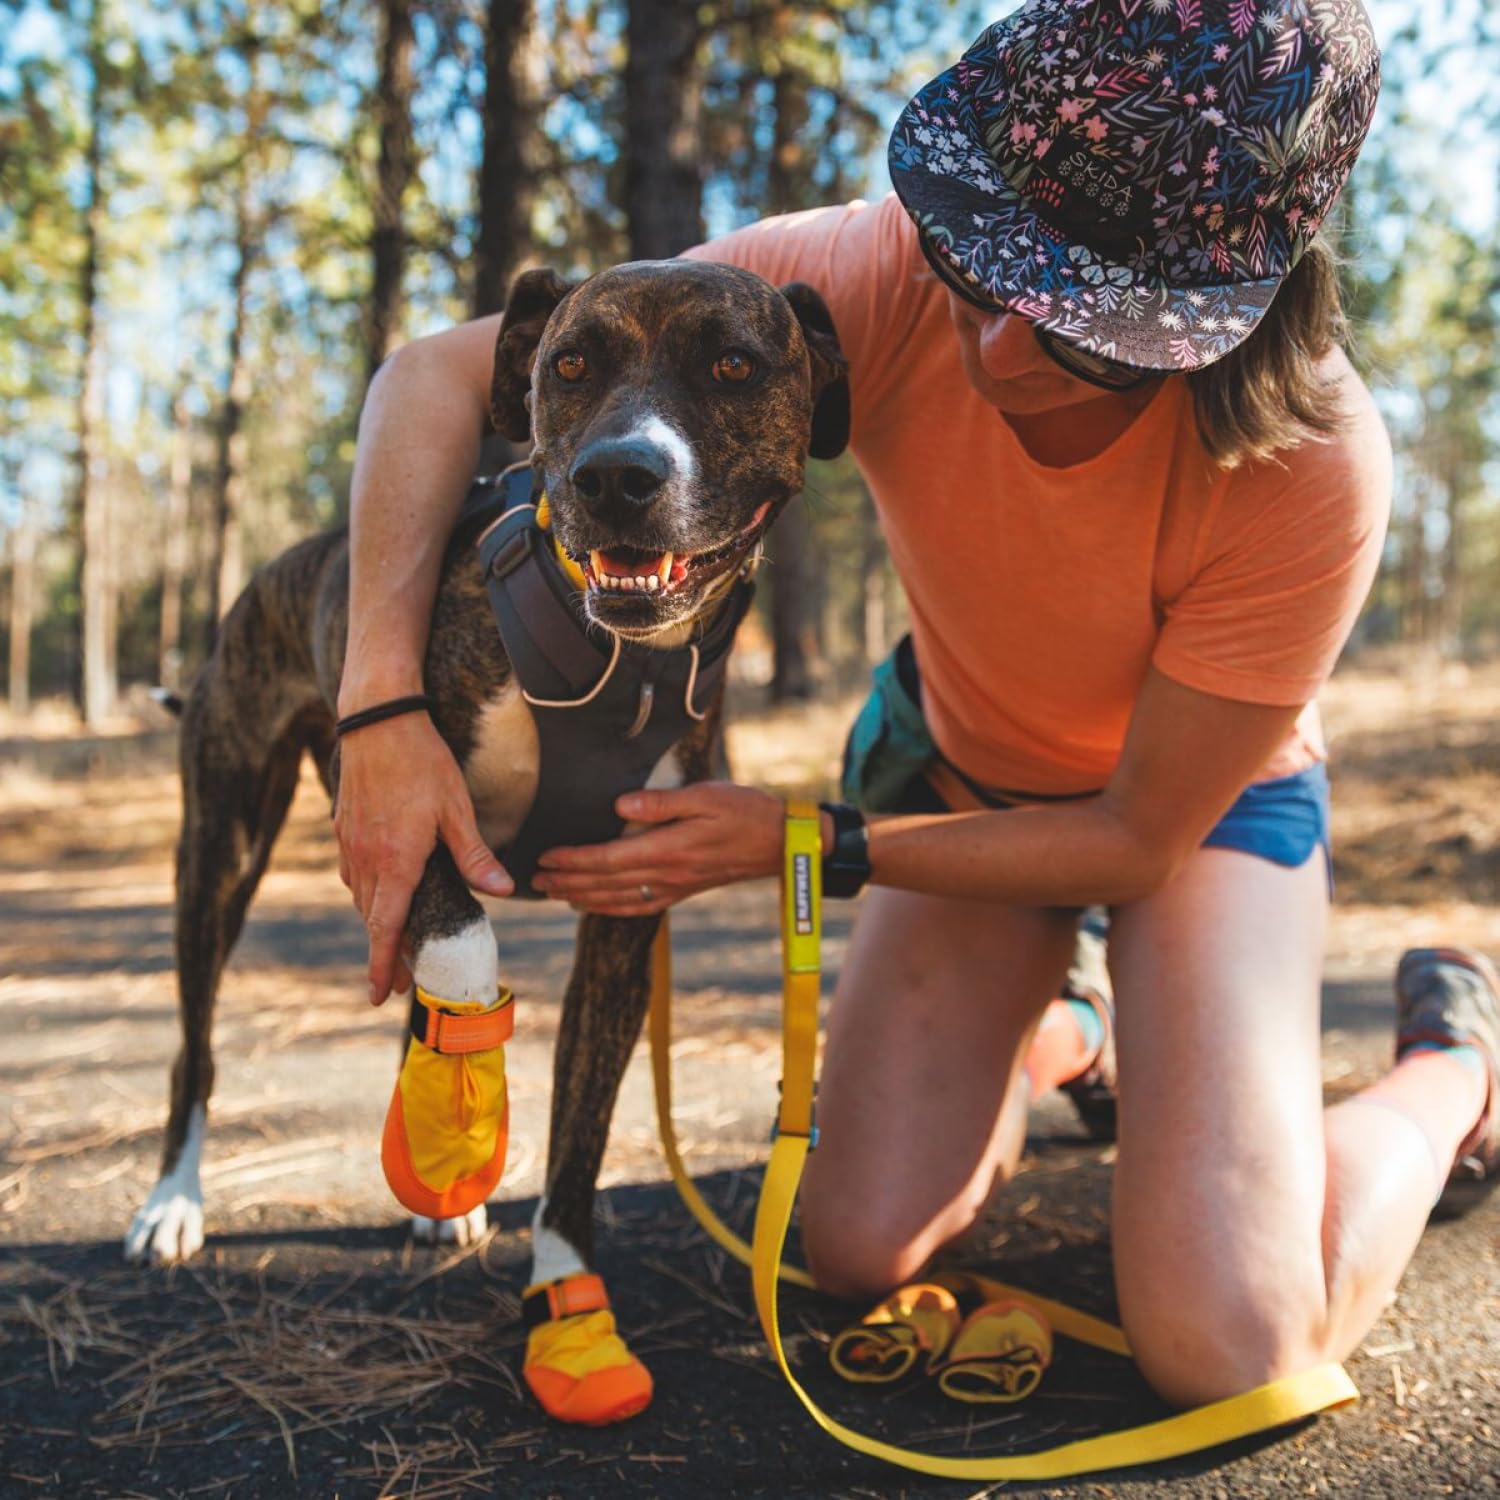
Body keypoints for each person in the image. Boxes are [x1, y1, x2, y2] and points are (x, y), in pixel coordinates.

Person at [335, 0, 1500, 1408]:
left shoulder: (1316, 464)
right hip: (964, 770)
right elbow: (434, 375)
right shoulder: (868, 270)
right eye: (980, 267)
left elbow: (1134, 835)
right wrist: (380, 706)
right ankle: (1065, 1025)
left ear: (1220, 315)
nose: (998, 349)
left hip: (1199, 816)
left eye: (1087, 327)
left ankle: (1452, 1067)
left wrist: (798, 841)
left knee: (1235, 1347)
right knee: (860, 1249)